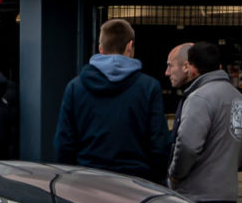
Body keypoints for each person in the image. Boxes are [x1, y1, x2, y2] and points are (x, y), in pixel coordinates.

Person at [53, 18, 168, 180]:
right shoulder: (149, 87)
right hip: (136, 181)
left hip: (87, 179)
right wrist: (153, 179)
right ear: (130, 46)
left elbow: (64, 143)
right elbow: (159, 143)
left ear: (100, 48)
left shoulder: (75, 87)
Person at [166, 41, 242, 203]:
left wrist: (174, 175)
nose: (167, 72)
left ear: (191, 68)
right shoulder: (239, 98)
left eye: (169, 66)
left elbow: (188, 146)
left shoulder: (199, 98)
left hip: (196, 196)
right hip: (227, 195)